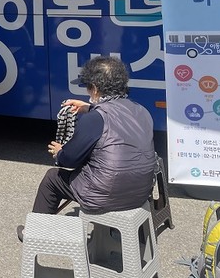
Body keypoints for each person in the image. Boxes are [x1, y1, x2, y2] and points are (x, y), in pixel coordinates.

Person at [17, 55, 156, 241]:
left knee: (52, 178)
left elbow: (70, 160)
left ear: (95, 89)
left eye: (88, 87)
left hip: (106, 195)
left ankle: (35, 233)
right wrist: (89, 108)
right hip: (141, 191)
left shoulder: (94, 119)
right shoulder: (141, 110)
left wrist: (59, 152)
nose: (88, 91)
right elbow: (116, 119)